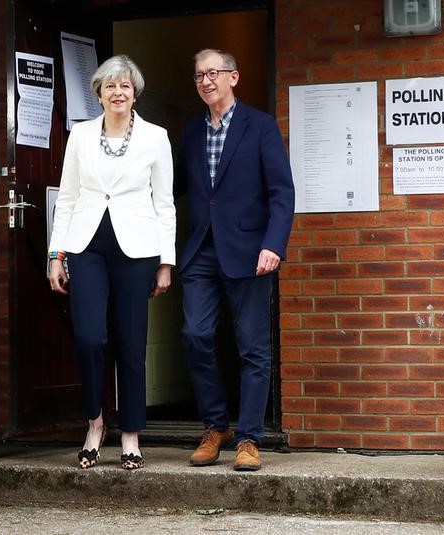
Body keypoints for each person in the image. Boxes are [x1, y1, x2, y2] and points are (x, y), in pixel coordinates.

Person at [48, 55, 175, 470]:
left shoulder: (156, 137)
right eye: (109, 87)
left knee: (131, 342)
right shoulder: (80, 136)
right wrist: (56, 254)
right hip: (87, 246)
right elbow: (66, 198)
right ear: (98, 94)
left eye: (125, 86)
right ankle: (95, 423)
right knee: (89, 337)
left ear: (134, 93)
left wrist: (166, 262)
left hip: (137, 250)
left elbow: (165, 203)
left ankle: (131, 435)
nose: (118, 93)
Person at [179, 49, 295, 471]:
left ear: (234, 77)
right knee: (195, 335)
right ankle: (216, 426)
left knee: (252, 347)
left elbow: (282, 191)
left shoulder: (260, 127)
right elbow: (167, 186)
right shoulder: (190, 132)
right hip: (200, 250)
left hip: (250, 252)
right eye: (198, 76)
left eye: (213, 73)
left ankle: (248, 438)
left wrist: (274, 244)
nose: (205, 81)